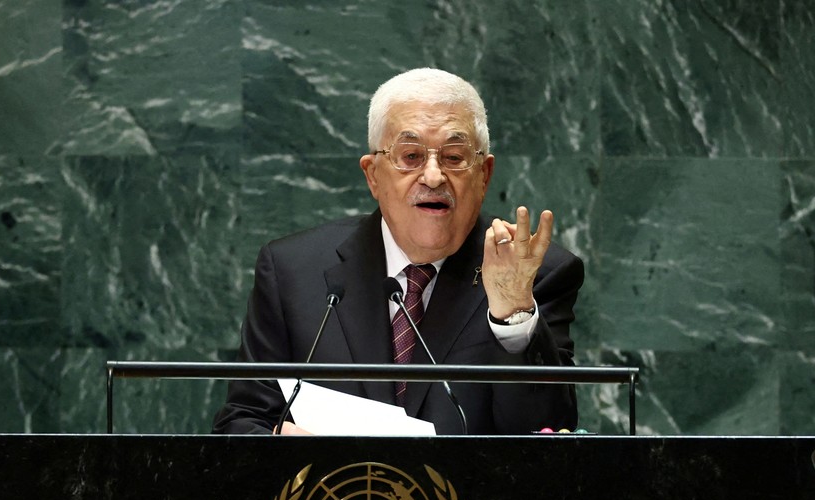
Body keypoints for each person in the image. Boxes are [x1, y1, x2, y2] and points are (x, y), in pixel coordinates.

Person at [212, 68, 584, 435]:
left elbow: (548, 435)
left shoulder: (536, 274)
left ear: (484, 175)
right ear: (373, 175)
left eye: (454, 157)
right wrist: (280, 443)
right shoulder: (292, 271)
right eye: (411, 156)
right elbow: (243, 421)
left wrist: (513, 313)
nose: (434, 176)